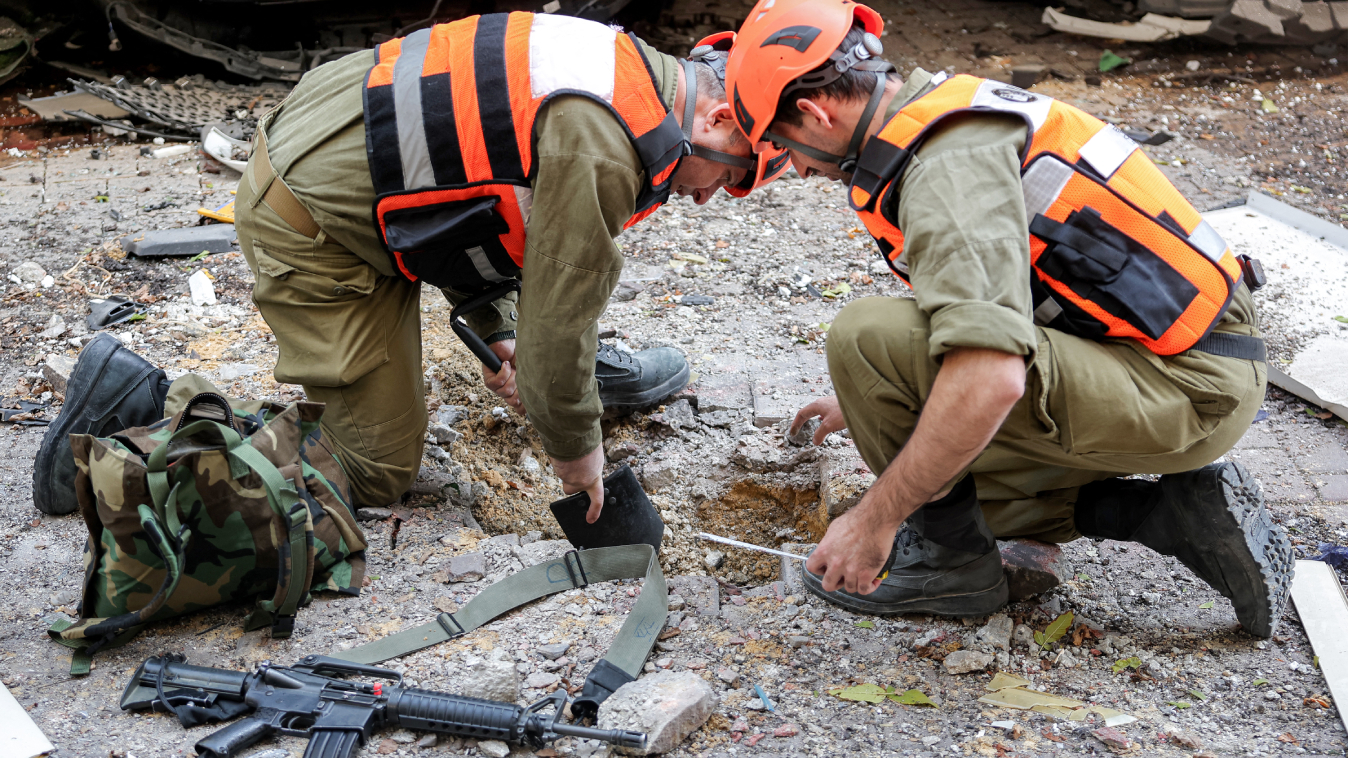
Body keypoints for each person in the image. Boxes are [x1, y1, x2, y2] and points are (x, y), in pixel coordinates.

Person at [32, 14, 789, 521]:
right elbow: (562, 321)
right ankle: (144, 415)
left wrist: (495, 329)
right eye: (737, 175)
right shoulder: (605, 140)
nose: (713, 198)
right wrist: (579, 460)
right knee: (370, 471)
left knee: (517, 352)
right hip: (321, 222)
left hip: (356, 164)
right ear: (720, 117)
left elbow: (467, 172)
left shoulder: (623, 68)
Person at [723, 0, 1292, 636]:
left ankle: (953, 568)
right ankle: (1165, 514)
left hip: (1187, 388)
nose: (794, 167)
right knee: (935, 477)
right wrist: (873, 400)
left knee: (870, 354)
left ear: (814, 112)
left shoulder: (945, 168)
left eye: (779, 144)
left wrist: (871, 522)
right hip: (1183, 365)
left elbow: (991, 379)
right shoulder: (951, 113)